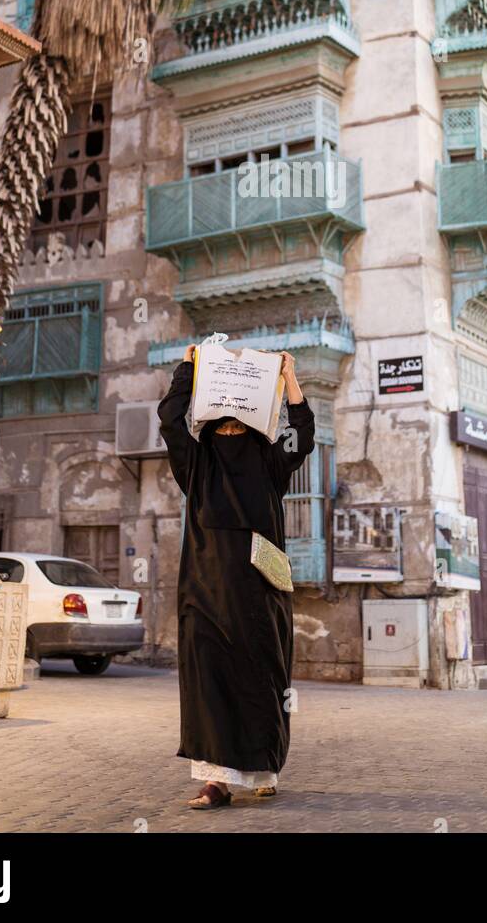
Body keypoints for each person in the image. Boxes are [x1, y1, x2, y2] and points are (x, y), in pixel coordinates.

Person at [158, 346, 315, 809]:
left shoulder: (269, 459)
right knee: (208, 677)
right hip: (204, 590)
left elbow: (302, 435)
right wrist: (188, 368)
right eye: (221, 421)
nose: (229, 427)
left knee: (261, 675)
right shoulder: (197, 461)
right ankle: (216, 782)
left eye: (237, 422)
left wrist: (289, 377)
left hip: (259, 592)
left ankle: (264, 769)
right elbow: (170, 419)